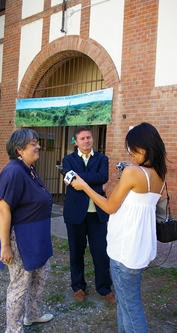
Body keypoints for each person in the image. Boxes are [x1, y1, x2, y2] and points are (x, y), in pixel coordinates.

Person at [71, 122, 167, 332]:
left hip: (124, 249)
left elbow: (109, 206)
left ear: (143, 147)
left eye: (132, 149)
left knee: (131, 309)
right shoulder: (160, 174)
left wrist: (85, 186)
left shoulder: (133, 172)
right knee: (126, 305)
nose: (130, 154)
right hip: (139, 249)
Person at [0, 129, 53, 333]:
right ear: (19, 149)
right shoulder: (14, 172)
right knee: (20, 284)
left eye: (37, 142)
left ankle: (31, 314)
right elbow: (3, 208)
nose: (38, 146)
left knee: (41, 274)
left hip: (36, 236)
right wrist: (5, 246)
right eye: (33, 143)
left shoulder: (29, 168)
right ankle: (13, 329)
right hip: (20, 239)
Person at [62, 125, 115, 304]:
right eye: (83, 138)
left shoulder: (102, 158)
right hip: (75, 214)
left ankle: (104, 288)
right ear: (76, 142)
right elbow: (73, 179)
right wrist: (97, 185)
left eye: (89, 138)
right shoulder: (67, 159)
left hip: (97, 215)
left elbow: (103, 176)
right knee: (76, 253)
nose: (86, 141)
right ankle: (78, 287)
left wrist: (82, 181)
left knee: (100, 253)